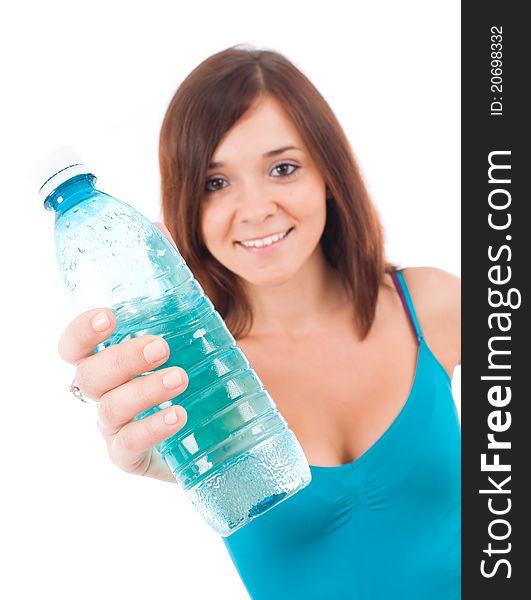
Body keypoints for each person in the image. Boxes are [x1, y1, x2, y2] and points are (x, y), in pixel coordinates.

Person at [59, 46, 461, 599]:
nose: (254, 210)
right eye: (215, 183)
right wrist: (164, 455)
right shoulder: (195, 384)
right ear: (186, 205)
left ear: (329, 173)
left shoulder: (434, 304)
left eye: (283, 168)